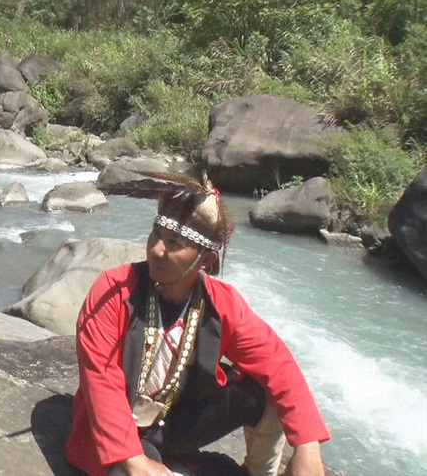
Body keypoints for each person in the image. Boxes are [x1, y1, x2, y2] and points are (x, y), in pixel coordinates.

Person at [64, 173, 330, 476]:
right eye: (156, 234)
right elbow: (101, 382)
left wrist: (308, 445)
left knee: (268, 390)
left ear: (205, 261)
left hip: (175, 419)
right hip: (123, 429)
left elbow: (280, 365)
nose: (156, 250)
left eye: (174, 243)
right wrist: (136, 461)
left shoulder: (221, 303)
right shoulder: (114, 291)